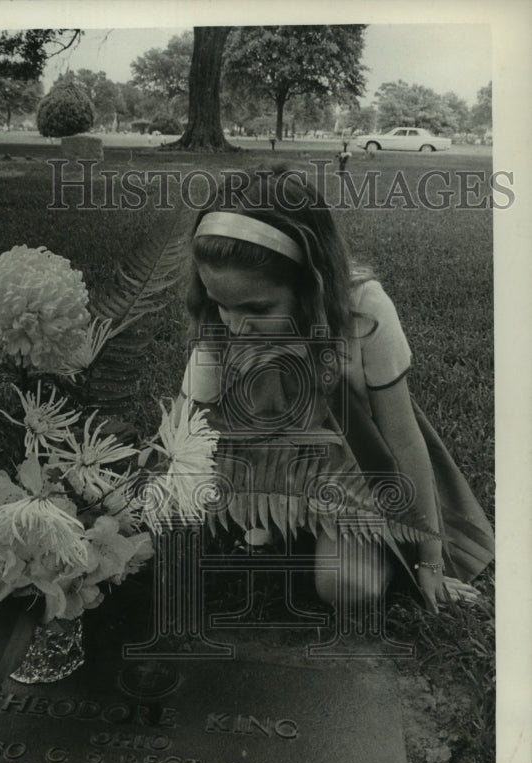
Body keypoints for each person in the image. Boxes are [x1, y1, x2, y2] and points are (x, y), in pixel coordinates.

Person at [178, 165, 494, 616]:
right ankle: (281, 528)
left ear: (311, 284)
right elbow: (186, 426)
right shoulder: (223, 323)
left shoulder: (363, 311)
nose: (234, 322)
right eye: (218, 303)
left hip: (356, 479)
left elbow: (403, 439)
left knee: (349, 587)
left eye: (257, 307)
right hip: (269, 474)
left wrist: (429, 559)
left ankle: (334, 540)